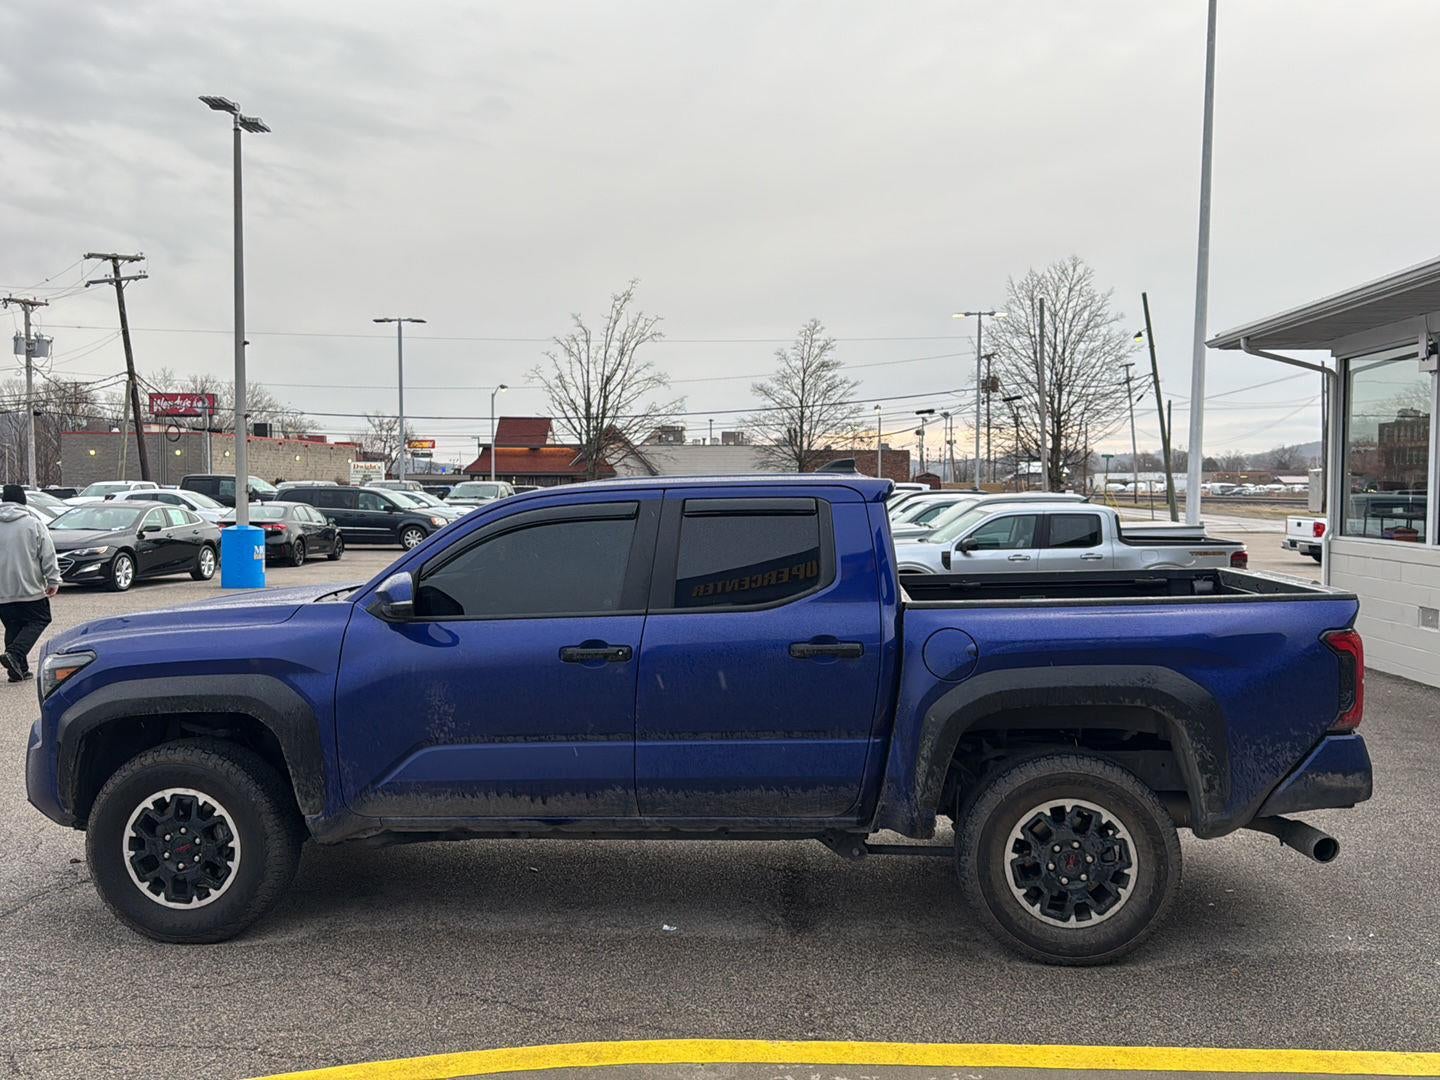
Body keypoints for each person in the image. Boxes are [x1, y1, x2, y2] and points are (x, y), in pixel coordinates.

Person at [0, 485, 60, 683]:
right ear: (23, 500)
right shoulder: (33, 523)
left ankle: (18, 670)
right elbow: (47, 554)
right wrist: (53, 579)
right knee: (40, 619)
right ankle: (15, 655)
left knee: (13, 625)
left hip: (2, 590)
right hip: (29, 587)